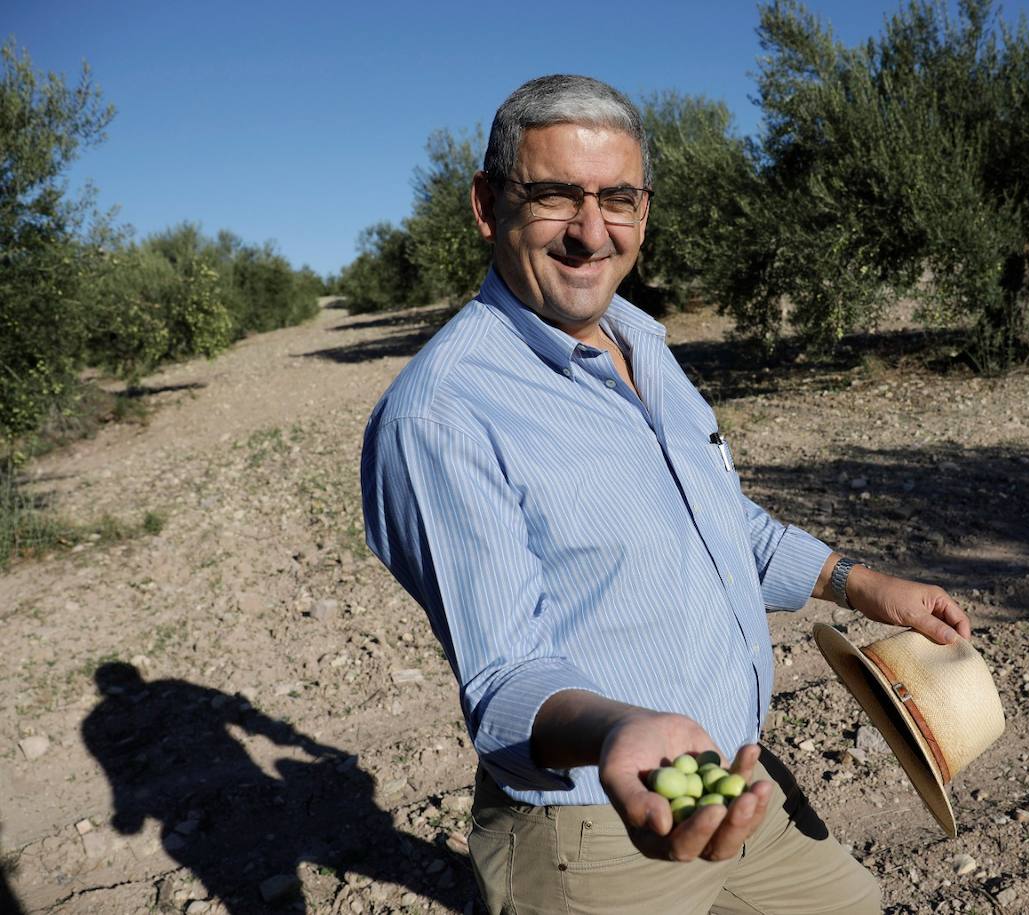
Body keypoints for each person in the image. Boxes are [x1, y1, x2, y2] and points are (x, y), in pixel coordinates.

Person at [360, 73, 972, 914]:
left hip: (733, 779)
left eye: (616, 198)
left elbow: (724, 525)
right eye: (553, 196)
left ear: (643, 211)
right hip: (592, 832)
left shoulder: (644, 345)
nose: (589, 231)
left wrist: (862, 583)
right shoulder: (441, 414)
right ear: (486, 203)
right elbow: (504, 677)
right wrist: (617, 731)